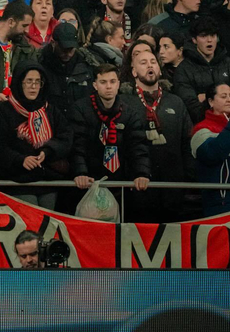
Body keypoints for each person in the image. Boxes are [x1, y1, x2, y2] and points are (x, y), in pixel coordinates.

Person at [122, 44, 195, 221]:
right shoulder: (123, 103)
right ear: (133, 72)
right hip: (136, 186)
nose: (149, 66)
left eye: (153, 62)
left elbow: (188, 143)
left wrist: (189, 181)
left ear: (160, 70)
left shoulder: (175, 102)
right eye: (143, 62)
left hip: (172, 186)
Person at [0, 62, 73, 209]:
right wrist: (20, 160)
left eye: (37, 82)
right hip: (16, 180)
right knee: (32, 217)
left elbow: (65, 137)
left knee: (48, 220)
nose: (33, 86)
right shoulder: (1, 112)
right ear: (19, 83)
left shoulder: (50, 110)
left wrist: (47, 151)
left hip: (47, 180)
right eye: (29, 81)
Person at [71, 64, 151, 195]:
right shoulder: (80, 109)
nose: (108, 86)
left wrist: (141, 173)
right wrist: (80, 172)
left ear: (118, 84)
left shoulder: (129, 113)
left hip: (121, 182)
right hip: (88, 182)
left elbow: (138, 146)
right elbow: (78, 145)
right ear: (95, 85)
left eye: (112, 82)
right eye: (103, 82)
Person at [172, 16, 230, 123]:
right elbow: (190, 106)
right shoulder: (184, 70)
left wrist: (206, 98)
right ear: (194, 39)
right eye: (204, 36)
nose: (209, 40)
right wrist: (217, 101)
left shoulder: (227, 63)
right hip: (202, 126)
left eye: (213, 36)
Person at [37, 21, 95, 118]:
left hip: (79, 124)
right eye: (63, 49)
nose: (68, 53)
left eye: (71, 49)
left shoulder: (85, 65)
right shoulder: (41, 65)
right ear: (53, 43)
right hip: (51, 122)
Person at [191, 82, 230, 217]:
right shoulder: (201, 130)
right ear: (211, 102)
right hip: (219, 203)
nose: (229, 99)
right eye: (224, 96)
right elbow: (211, 154)